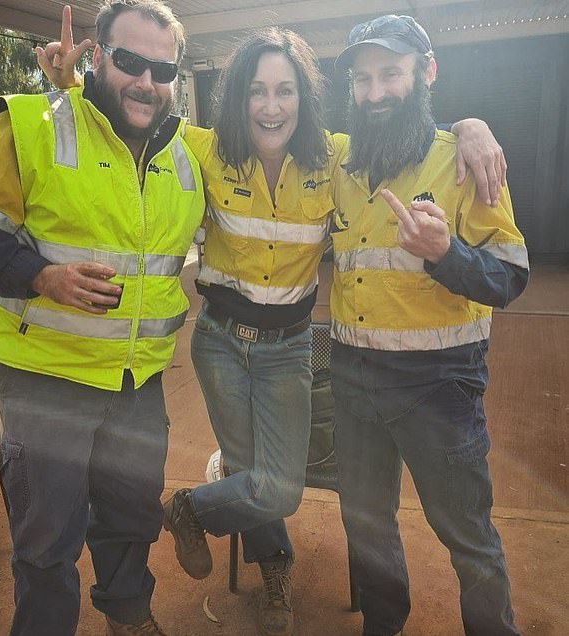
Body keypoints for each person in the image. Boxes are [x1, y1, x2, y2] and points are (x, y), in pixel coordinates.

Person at [39, 9, 509, 636]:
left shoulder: (334, 160)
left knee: (276, 487)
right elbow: (123, 131)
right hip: (219, 345)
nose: (270, 105)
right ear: (238, 97)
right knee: (247, 472)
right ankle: (275, 566)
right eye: (257, 89)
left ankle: (184, 507)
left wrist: (473, 127)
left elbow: (405, 131)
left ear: (304, 97)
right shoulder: (201, 149)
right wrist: (70, 89)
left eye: (285, 89)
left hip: (289, 348)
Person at [0, 2, 205, 635]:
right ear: (97, 58)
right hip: (43, 380)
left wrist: (467, 125)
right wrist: (39, 275)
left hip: (136, 382)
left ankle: (129, 618)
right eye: (130, 61)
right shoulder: (28, 124)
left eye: (162, 68)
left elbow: (282, 135)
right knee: (47, 540)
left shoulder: (190, 150)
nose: (146, 81)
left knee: (132, 516)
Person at [329, 14, 529, 636]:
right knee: (366, 521)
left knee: (466, 533)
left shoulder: (467, 163)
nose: (376, 92)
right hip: (354, 379)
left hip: (437, 387)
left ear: (426, 72)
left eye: (390, 73)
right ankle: (382, 625)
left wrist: (448, 255)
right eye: (363, 80)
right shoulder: (341, 160)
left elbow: (510, 276)